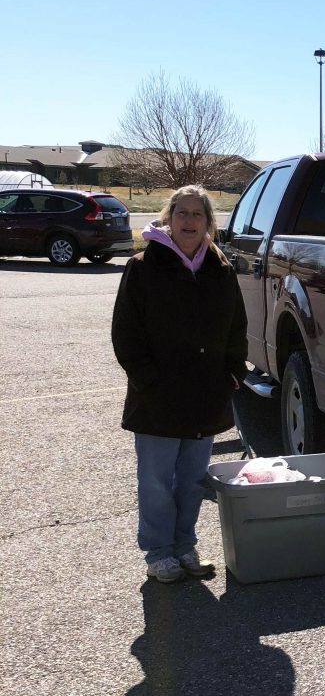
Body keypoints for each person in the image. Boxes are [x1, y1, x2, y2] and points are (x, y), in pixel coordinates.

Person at [112, 185, 247, 582]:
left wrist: (232, 373)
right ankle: (158, 553)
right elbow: (126, 335)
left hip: (206, 395)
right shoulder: (142, 266)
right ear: (168, 219)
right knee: (156, 481)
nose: (189, 221)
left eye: (197, 215)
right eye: (182, 213)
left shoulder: (220, 269)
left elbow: (237, 327)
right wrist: (149, 382)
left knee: (191, 479)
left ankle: (185, 546)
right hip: (157, 397)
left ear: (208, 223)